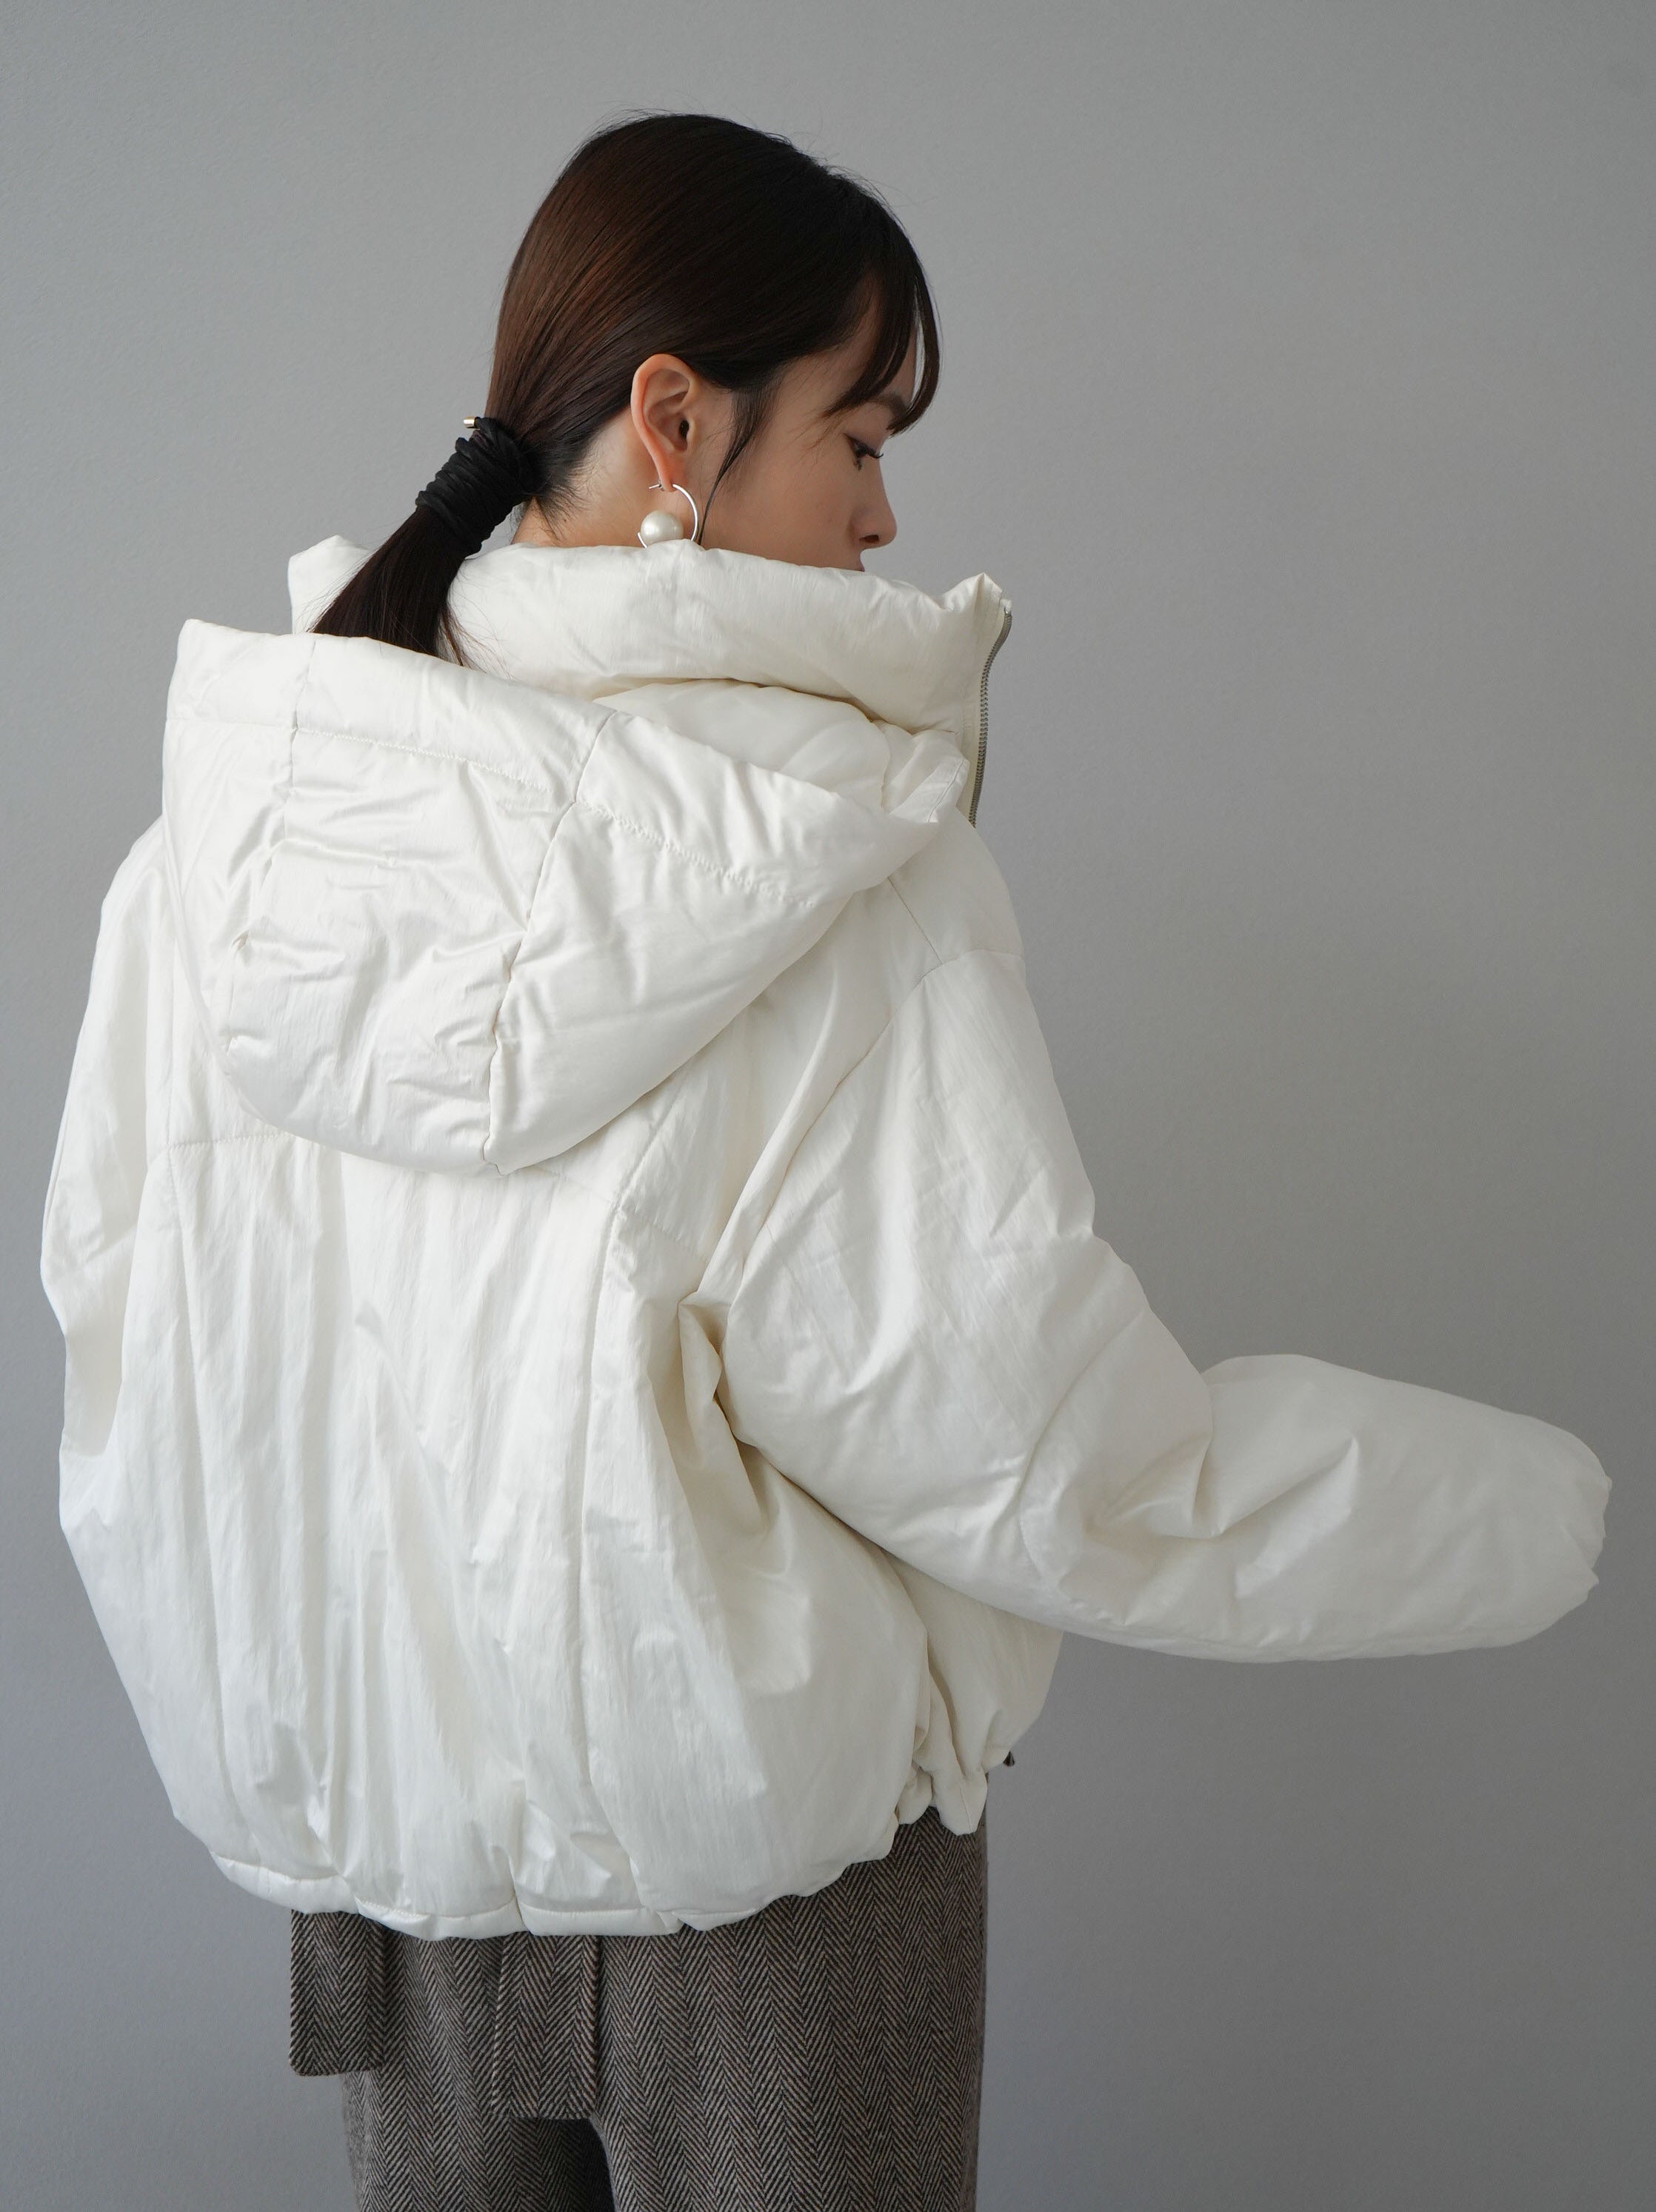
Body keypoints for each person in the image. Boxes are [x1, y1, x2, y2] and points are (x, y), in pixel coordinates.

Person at [40, 110, 1609, 2212]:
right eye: (858, 437)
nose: (885, 513)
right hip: (767, 1918)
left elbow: (130, 1360)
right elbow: (1043, 1454)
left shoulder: (230, 851)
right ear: (676, 425)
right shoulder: (836, 885)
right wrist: (1537, 1521)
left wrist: (310, 1731)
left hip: (389, 1901)